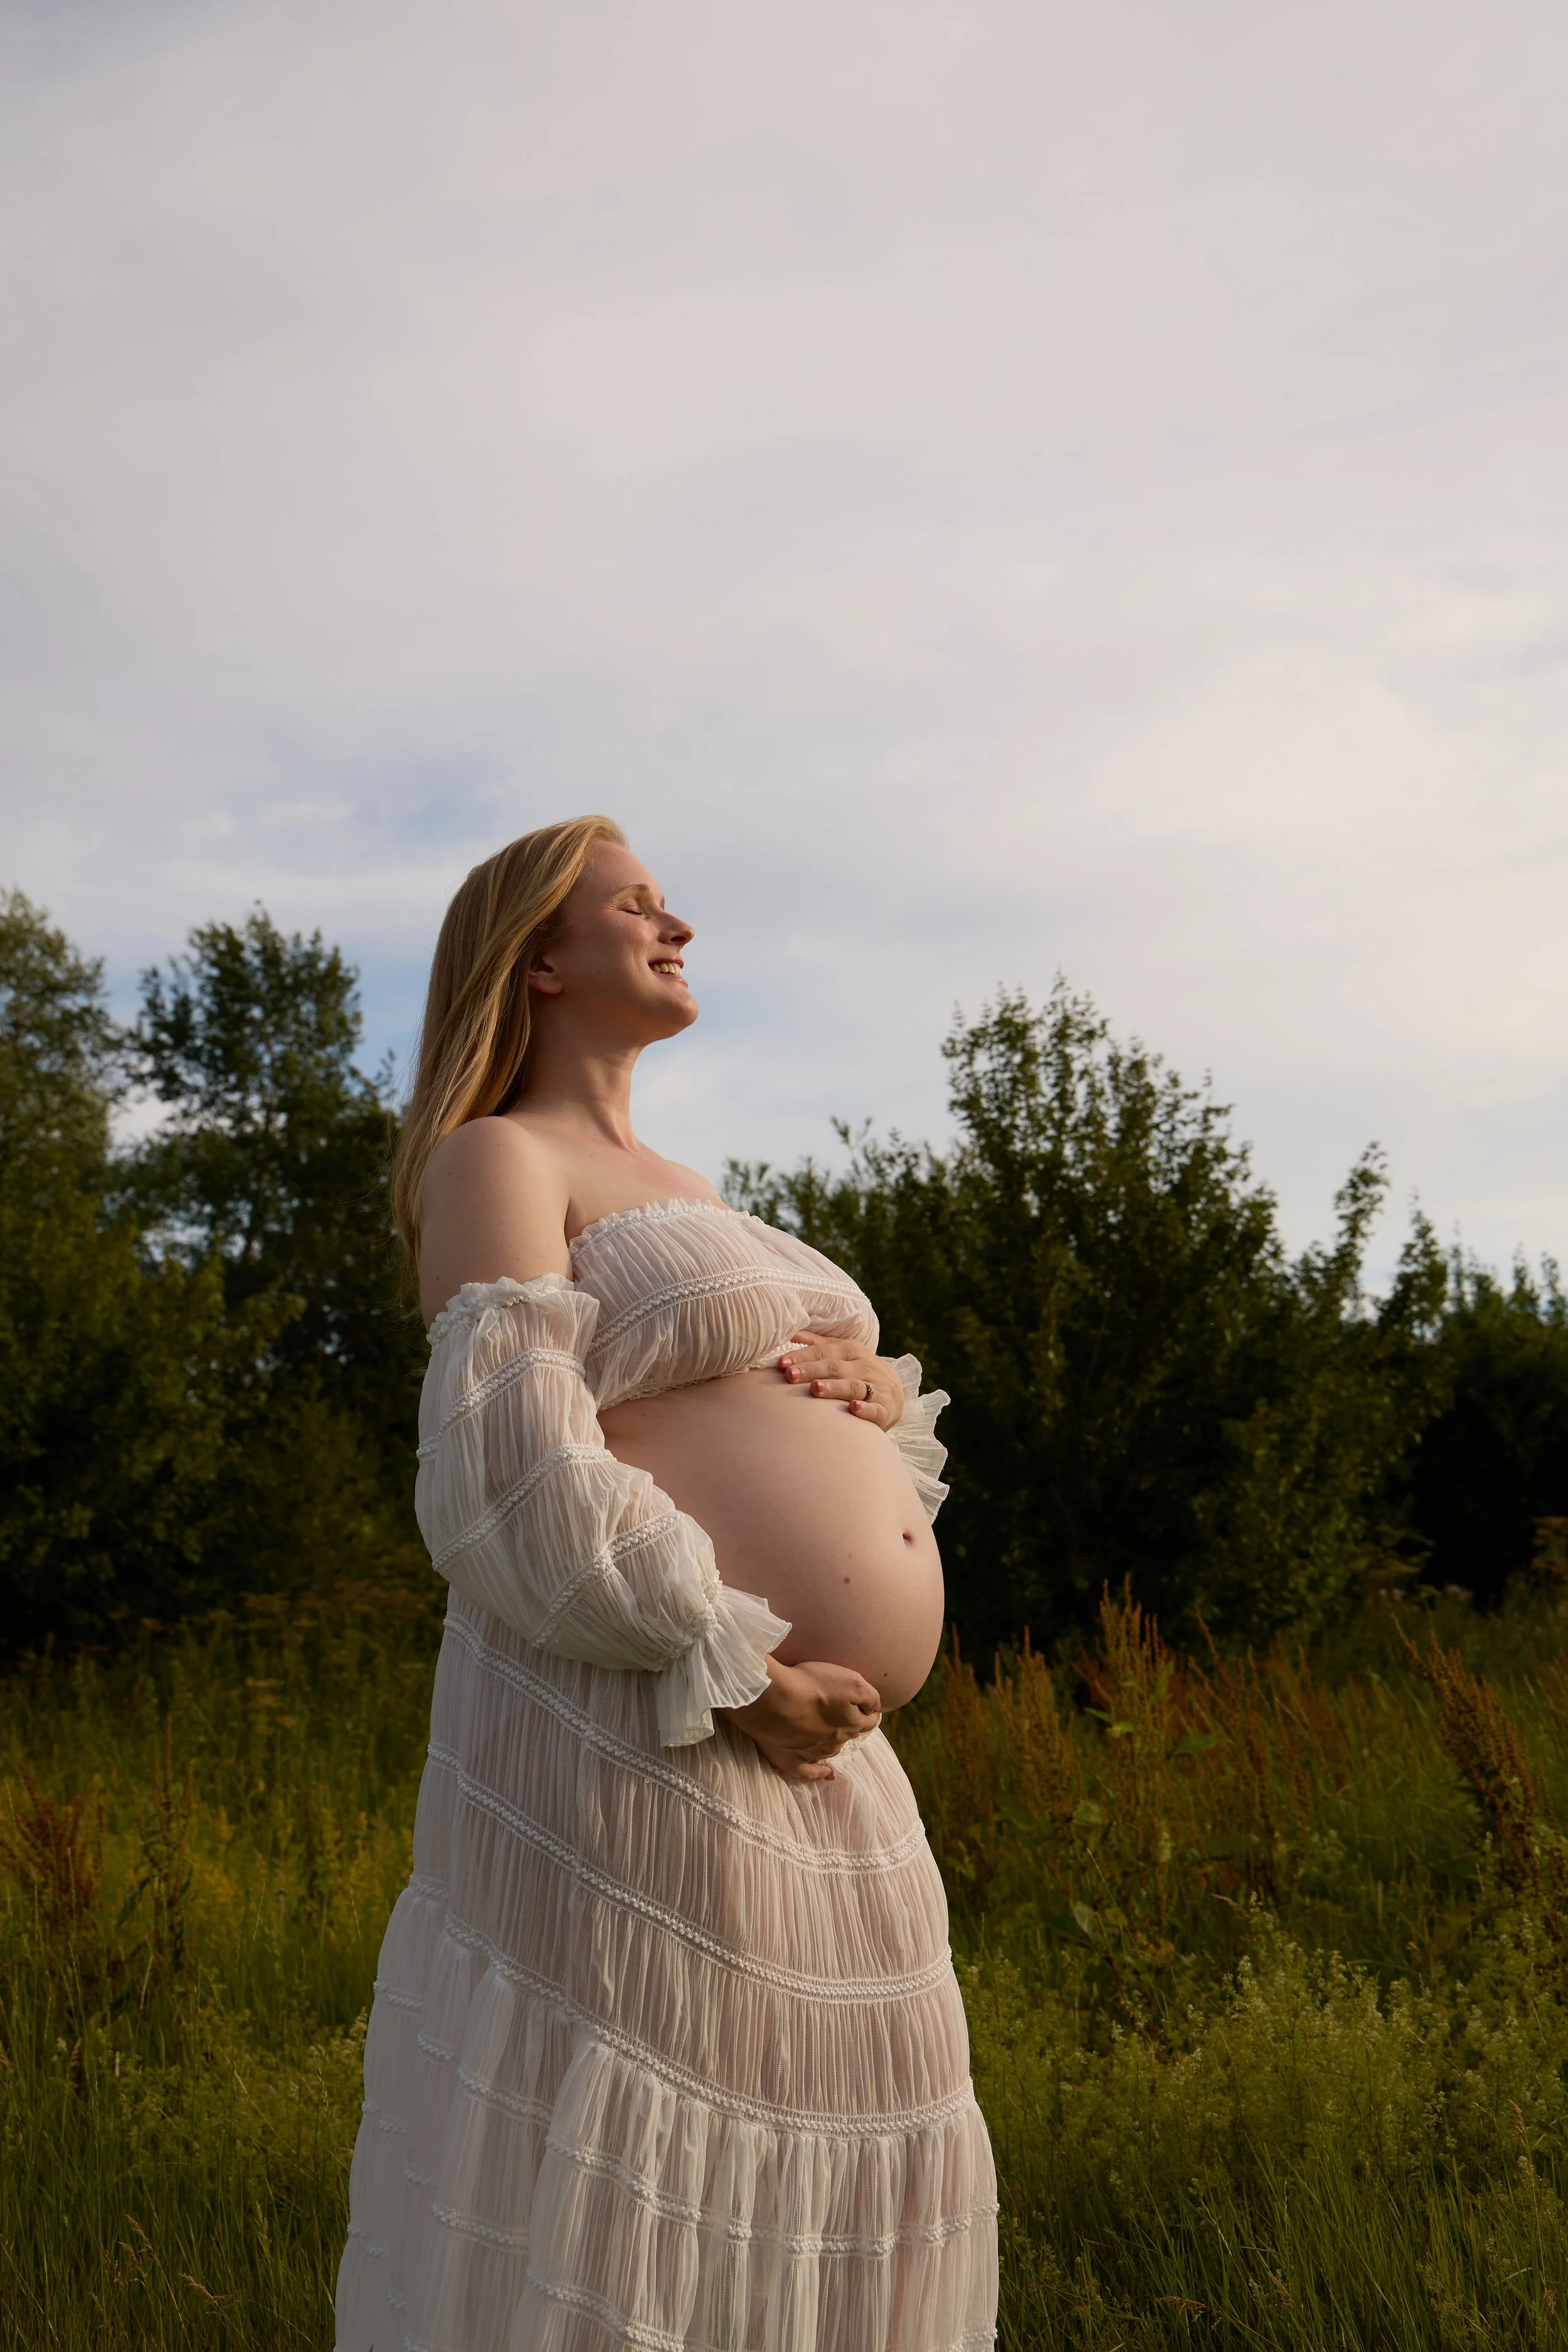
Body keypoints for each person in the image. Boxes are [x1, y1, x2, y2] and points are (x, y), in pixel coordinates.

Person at [334, 817, 998, 2352]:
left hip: (828, 1773)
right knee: (644, 2152)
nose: (674, 920)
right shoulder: (496, 1156)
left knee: (840, 2144)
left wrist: (864, 1384)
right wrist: (735, 1666)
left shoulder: (688, 1183)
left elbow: (784, 1425)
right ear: (541, 962)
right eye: (633, 905)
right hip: (664, 1727)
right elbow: (510, 1457)